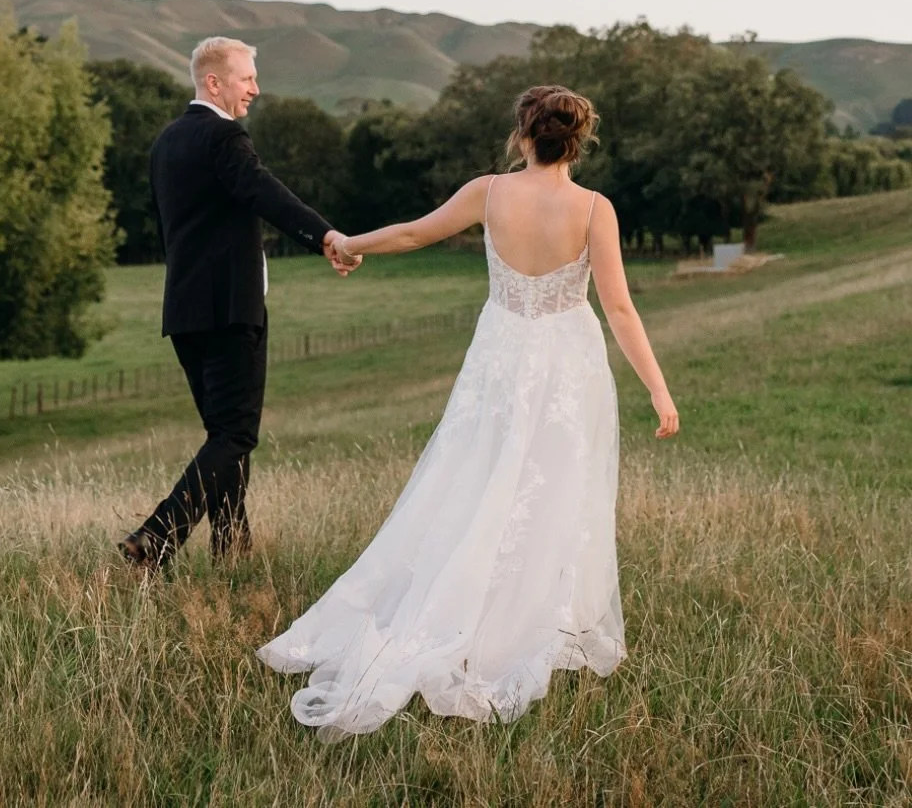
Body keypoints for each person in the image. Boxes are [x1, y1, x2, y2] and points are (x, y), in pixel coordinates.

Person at [258, 84, 678, 739]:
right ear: (578, 141)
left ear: (522, 136)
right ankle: (522, 618)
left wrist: (349, 242)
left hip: (503, 357)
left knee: (477, 474)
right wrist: (658, 388)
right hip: (568, 363)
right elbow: (620, 308)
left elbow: (413, 232)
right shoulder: (595, 209)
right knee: (554, 489)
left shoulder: (489, 193)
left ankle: (465, 609)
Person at [118, 36, 357, 570]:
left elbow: (169, 229)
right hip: (231, 310)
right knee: (235, 433)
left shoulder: (166, 142)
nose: (255, 87)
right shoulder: (224, 137)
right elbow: (262, 190)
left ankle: (233, 547)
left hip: (184, 310)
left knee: (224, 436)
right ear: (214, 82)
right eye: (247, 77)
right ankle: (155, 538)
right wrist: (324, 237)